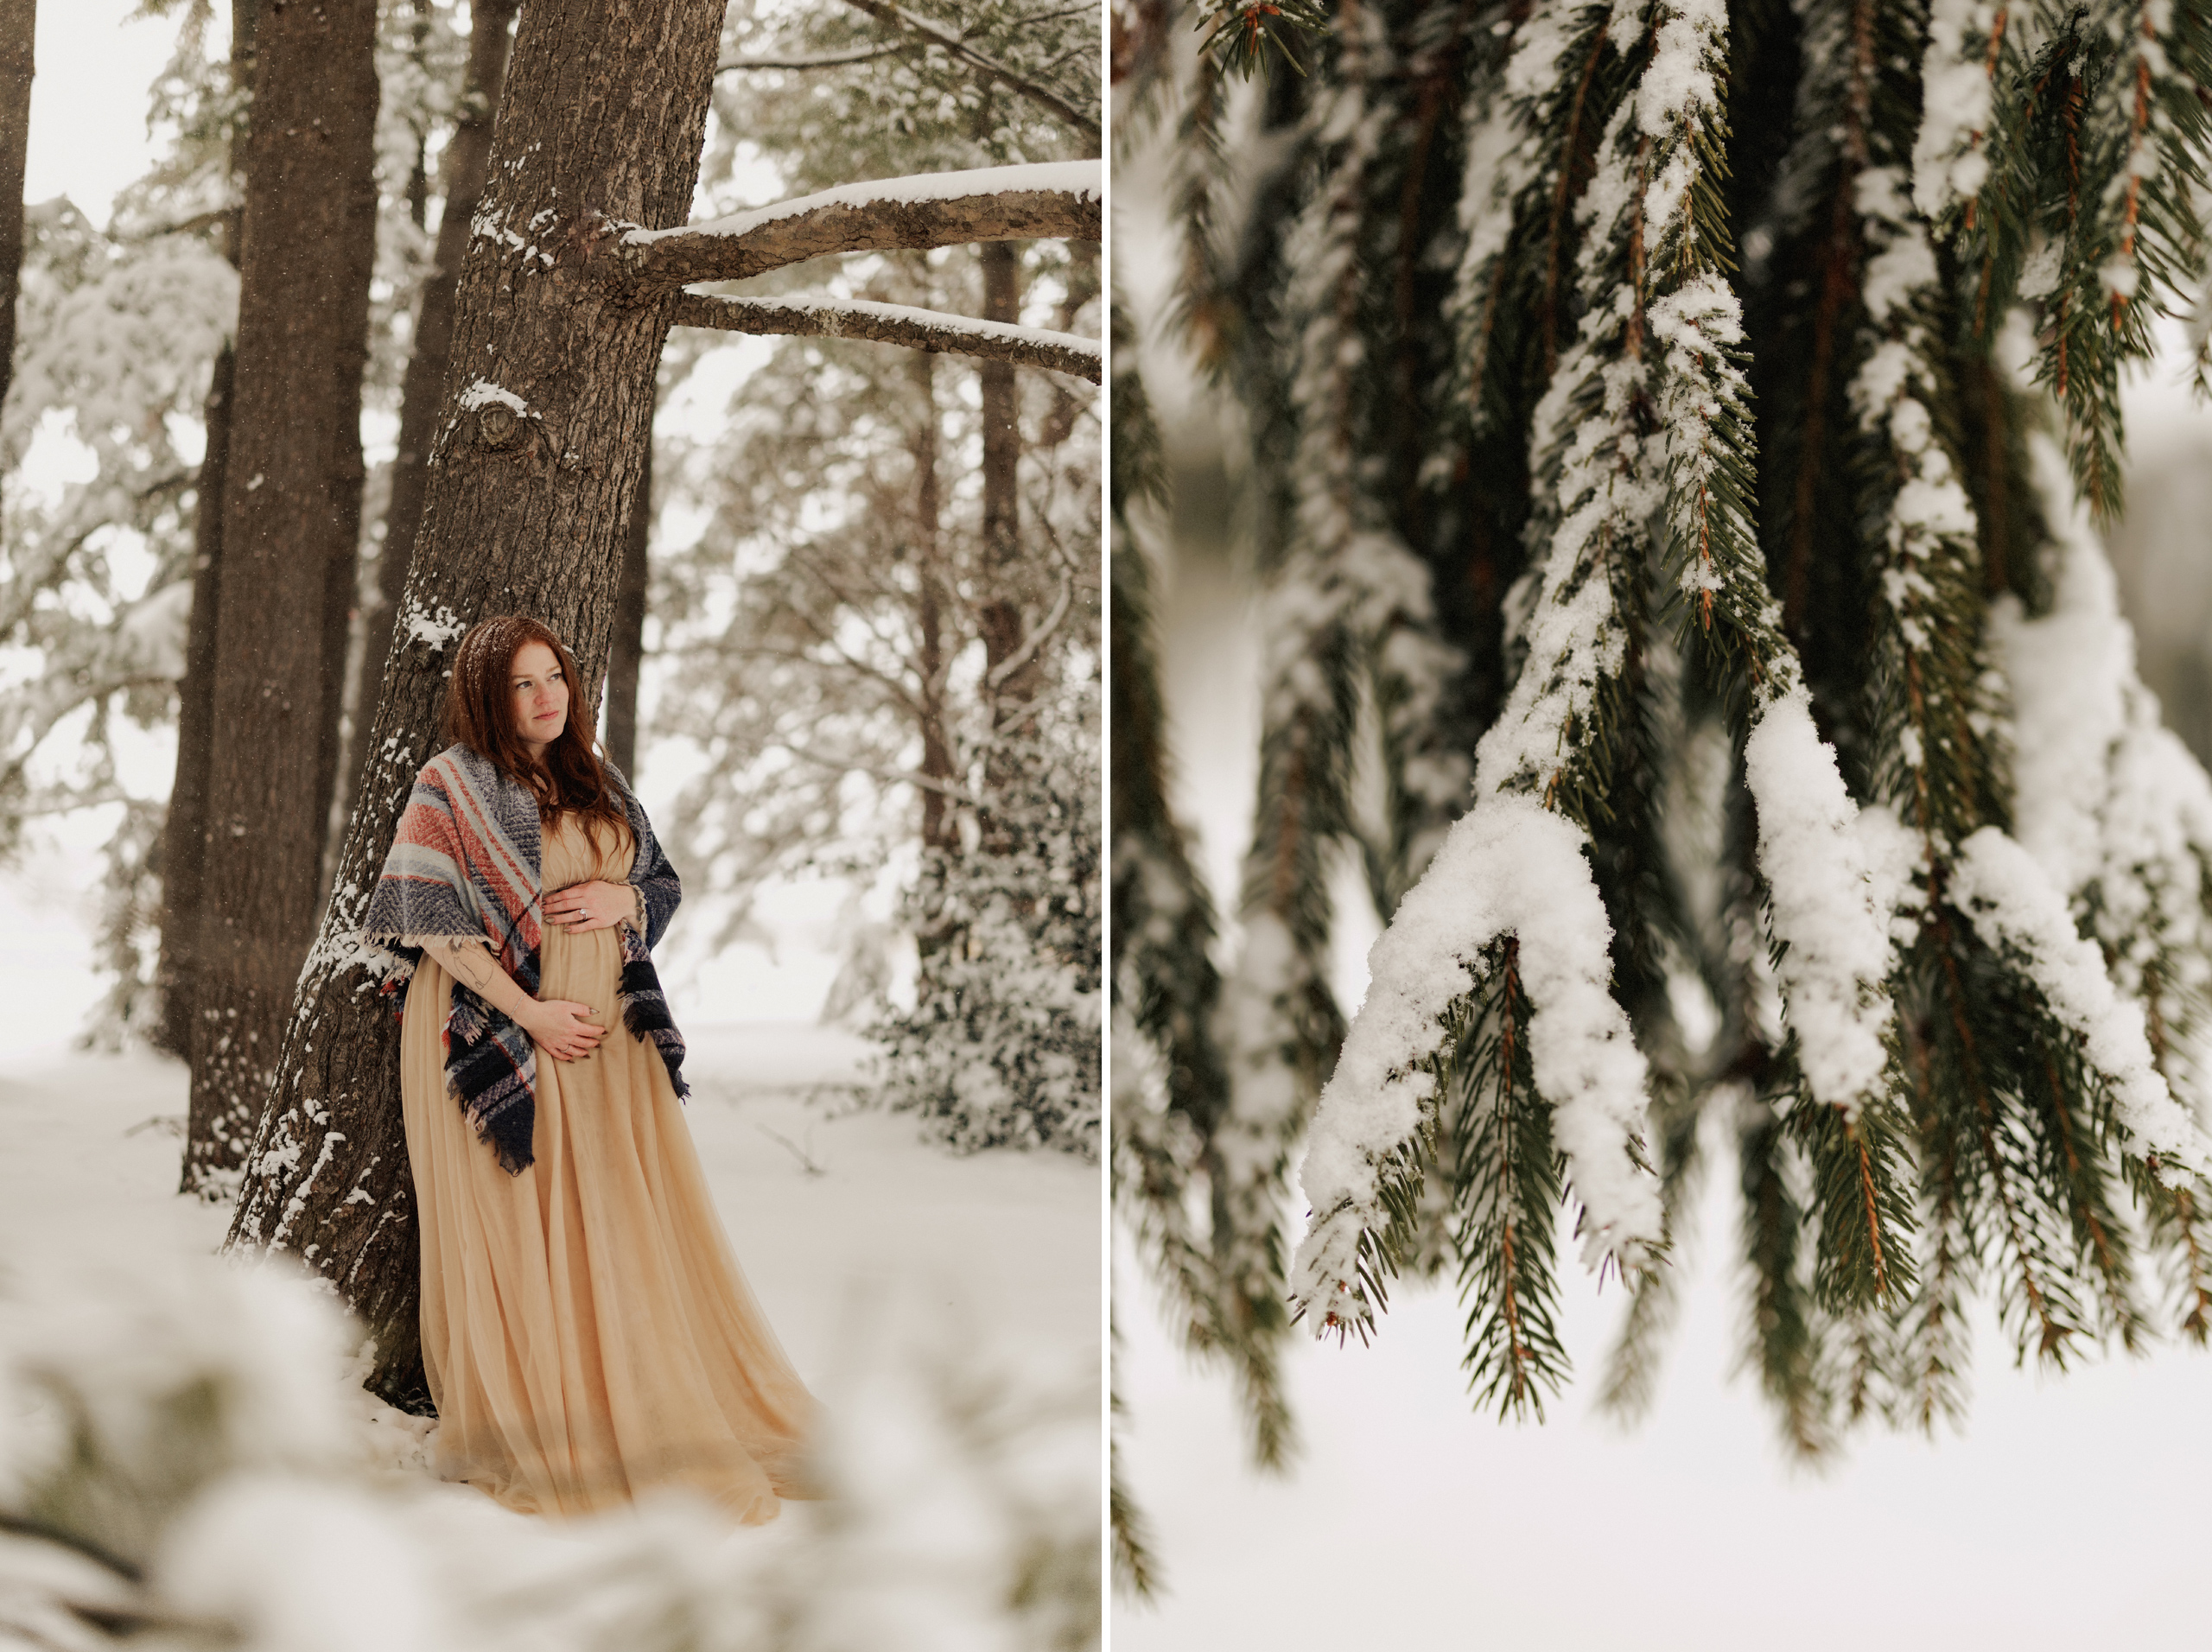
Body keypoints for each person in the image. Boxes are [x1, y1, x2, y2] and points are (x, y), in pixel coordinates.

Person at [361, 613, 817, 1522]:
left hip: (612, 1042)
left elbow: (661, 883)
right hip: (497, 1030)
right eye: (523, 685)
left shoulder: (593, 773)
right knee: (526, 1223)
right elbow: (427, 918)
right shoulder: (452, 783)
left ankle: (647, 1392)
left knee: (615, 1216)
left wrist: (624, 898)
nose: (546, 697)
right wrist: (530, 1012)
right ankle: (555, 1418)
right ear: (488, 699)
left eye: (554, 677)